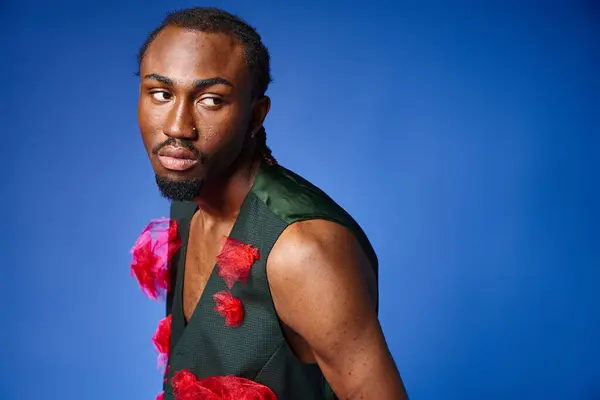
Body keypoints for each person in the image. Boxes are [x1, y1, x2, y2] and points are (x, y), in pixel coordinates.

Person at [135, 6, 408, 400]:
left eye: (211, 100)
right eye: (161, 93)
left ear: (255, 115)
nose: (178, 127)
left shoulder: (302, 250)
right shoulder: (190, 200)